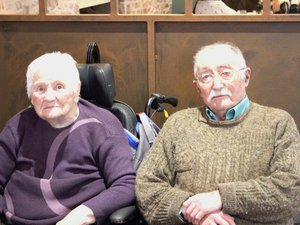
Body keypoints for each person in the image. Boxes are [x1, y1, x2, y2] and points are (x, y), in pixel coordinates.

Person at [136, 41, 300, 225]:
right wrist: (192, 212)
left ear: (246, 77)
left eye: (225, 73)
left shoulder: (278, 123)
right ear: (198, 87)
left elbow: (291, 190)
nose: (217, 84)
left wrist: (222, 197)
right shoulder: (178, 124)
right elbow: (147, 185)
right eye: (206, 77)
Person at [0, 52, 136, 225]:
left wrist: (83, 214)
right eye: (40, 88)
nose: (49, 97)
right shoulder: (18, 125)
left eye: (59, 87)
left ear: (76, 90)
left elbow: (126, 184)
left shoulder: (102, 126)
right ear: (30, 95)